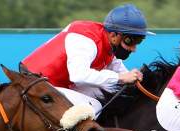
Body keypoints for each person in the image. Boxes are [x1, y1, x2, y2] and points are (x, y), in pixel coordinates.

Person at [22, 4, 153, 119]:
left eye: (138, 41)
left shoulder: (107, 41)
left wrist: (131, 78)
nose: (134, 49)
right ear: (114, 35)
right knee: (95, 105)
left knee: (109, 89)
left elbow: (116, 66)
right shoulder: (86, 40)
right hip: (34, 83)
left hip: (51, 84)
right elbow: (79, 75)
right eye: (130, 41)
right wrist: (121, 78)